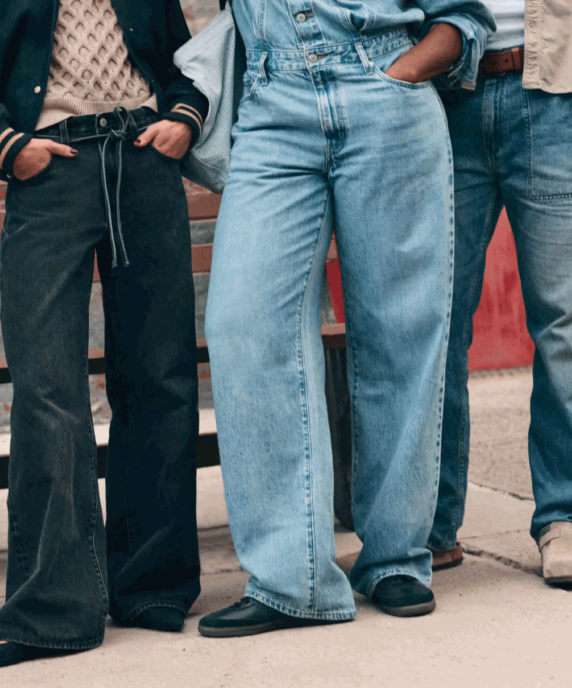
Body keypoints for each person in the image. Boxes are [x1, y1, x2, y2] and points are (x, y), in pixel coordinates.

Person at [0, 0, 207, 672]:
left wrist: (183, 117)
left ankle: (152, 585)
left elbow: (177, 52)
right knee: (47, 388)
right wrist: (5, 144)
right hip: (50, 167)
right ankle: (51, 610)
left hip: (143, 157)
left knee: (160, 375)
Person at [197, 0, 494, 637]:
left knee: (399, 333)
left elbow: (462, 15)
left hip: (385, 90)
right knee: (243, 325)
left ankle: (396, 556)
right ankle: (291, 579)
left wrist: (403, 73)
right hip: (273, 103)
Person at [429, 0, 572, 585]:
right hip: (443, 96)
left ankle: (564, 516)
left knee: (562, 321)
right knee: (435, 321)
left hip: (553, 92)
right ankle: (431, 523)